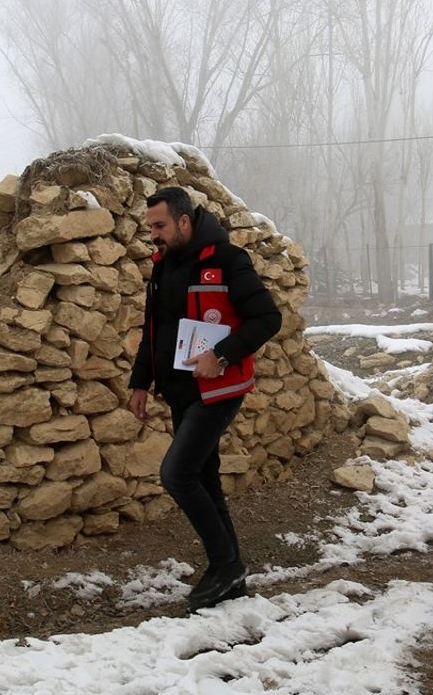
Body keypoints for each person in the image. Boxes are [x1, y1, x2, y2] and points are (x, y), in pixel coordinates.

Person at [128, 186, 282, 612]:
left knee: (176, 475)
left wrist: (222, 354)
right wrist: (140, 382)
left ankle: (225, 565)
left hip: (218, 389)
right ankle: (231, 571)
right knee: (204, 477)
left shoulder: (229, 261)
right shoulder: (162, 266)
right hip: (179, 390)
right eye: (150, 227)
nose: (154, 234)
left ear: (184, 221)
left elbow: (268, 318)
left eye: (159, 226)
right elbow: (152, 329)